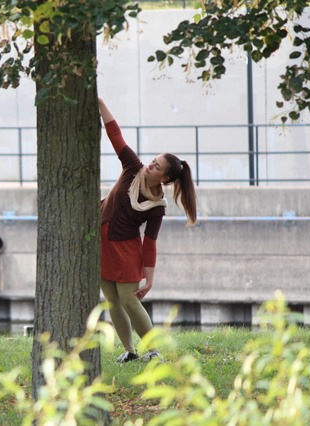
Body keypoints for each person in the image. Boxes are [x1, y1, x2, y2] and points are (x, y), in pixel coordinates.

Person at [98, 97, 197, 363]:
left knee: (129, 301)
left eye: (156, 166)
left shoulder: (157, 207)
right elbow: (115, 135)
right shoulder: (132, 167)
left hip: (126, 250)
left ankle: (154, 351)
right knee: (111, 300)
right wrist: (100, 103)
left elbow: (149, 242)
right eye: (153, 160)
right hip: (101, 243)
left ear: (164, 178)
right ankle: (130, 351)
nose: (150, 164)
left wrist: (150, 279)